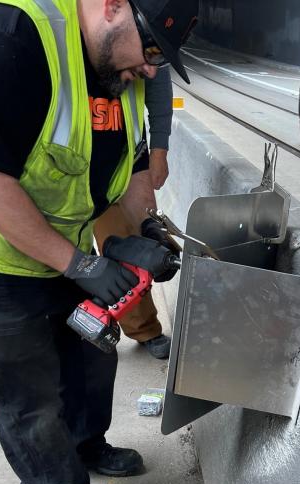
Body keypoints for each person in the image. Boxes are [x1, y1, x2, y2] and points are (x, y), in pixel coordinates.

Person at [0, 0, 198, 484]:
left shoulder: (117, 57)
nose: (148, 70)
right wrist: (80, 264)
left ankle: (86, 444)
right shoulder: (7, 34)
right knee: (29, 388)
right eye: (148, 53)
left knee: (90, 350)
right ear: (113, 6)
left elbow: (134, 157)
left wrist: (143, 230)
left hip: (65, 233)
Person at [95, 66, 174, 359]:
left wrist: (158, 149)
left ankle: (144, 328)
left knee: (131, 244)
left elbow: (158, 82)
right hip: (70, 161)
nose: (150, 66)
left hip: (126, 147)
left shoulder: (150, 46)